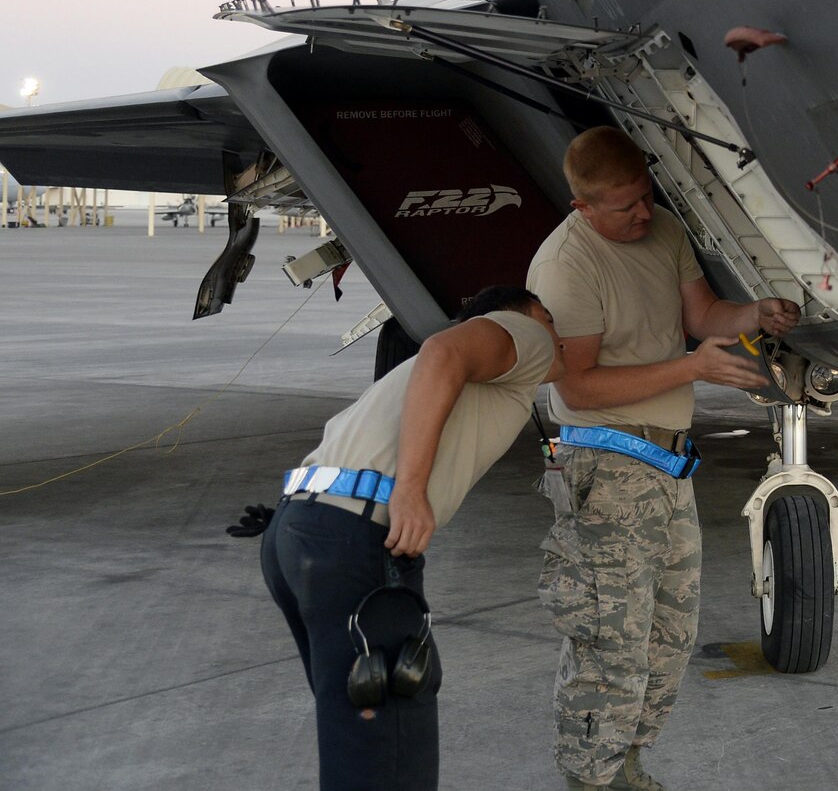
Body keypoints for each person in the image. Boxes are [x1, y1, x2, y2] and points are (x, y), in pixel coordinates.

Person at [528, 126, 796, 791]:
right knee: (608, 641)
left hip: (667, 465)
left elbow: (705, 314)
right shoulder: (567, 262)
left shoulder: (664, 230)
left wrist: (754, 313)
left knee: (668, 633)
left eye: (646, 197)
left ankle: (629, 764)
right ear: (582, 206)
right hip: (604, 466)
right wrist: (690, 367)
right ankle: (591, 777)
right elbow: (576, 385)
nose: (643, 214)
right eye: (625, 207)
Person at [260, 285, 565, 791]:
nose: (559, 338)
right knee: (390, 753)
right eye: (551, 321)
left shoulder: (450, 380)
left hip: (300, 531)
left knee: (359, 741)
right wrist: (411, 489)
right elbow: (444, 350)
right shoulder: (523, 333)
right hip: (356, 537)